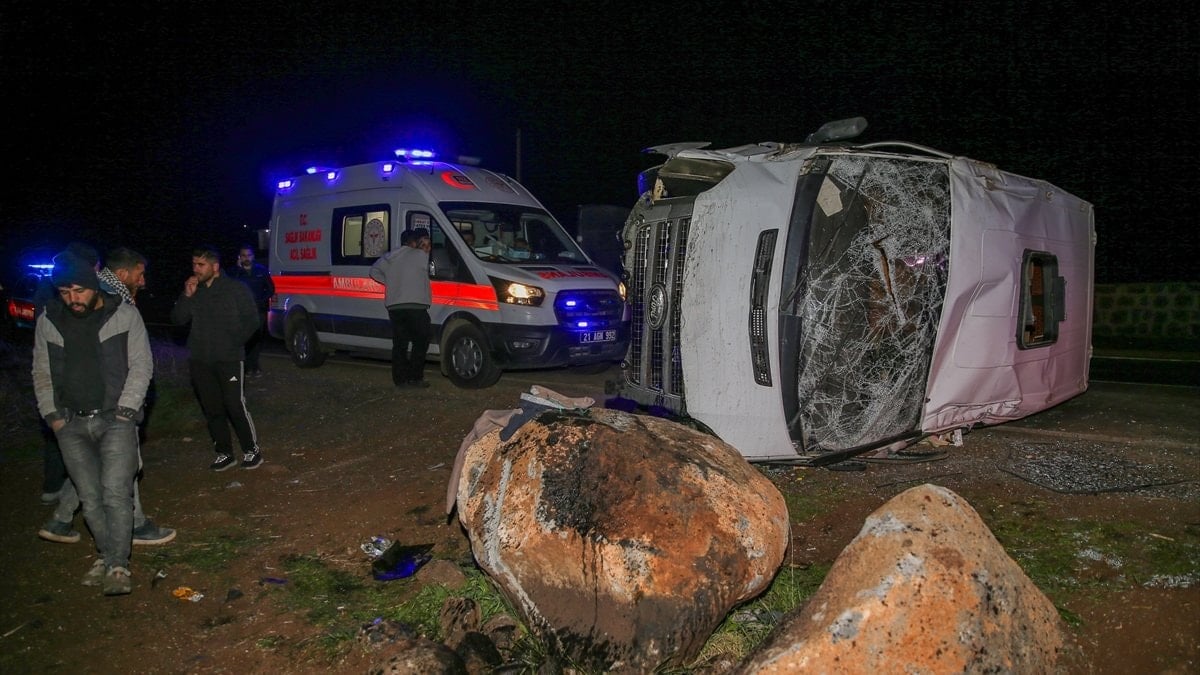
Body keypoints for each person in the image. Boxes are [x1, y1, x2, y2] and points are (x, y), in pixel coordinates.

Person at [36, 244, 175, 546]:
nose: (143, 280)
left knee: (98, 467)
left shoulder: (96, 295)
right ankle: (134, 525)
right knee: (123, 467)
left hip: (111, 403)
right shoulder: (109, 296)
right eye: (139, 274)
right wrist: (127, 407)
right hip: (110, 402)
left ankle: (61, 519)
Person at [171, 244, 263, 471]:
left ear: (215, 266)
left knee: (234, 404)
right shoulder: (194, 291)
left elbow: (252, 321)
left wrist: (234, 342)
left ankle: (252, 450)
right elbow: (178, 320)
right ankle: (224, 453)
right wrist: (186, 296)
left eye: (201, 265)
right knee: (212, 408)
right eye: (194, 264)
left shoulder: (235, 289)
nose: (196, 269)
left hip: (229, 358)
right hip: (201, 359)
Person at [369, 228, 433, 388]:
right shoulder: (419, 255)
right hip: (415, 305)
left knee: (400, 344)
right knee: (421, 341)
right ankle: (415, 377)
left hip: (395, 307)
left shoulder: (389, 257)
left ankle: (400, 379)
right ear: (413, 243)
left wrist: (390, 282)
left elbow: (373, 271)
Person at [227, 244, 275, 377]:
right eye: (243, 255)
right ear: (239, 257)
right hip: (241, 312)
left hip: (258, 310)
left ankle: (254, 365)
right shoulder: (233, 272)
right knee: (245, 339)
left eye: (248, 255)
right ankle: (247, 366)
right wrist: (237, 269)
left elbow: (271, 289)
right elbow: (229, 288)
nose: (246, 258)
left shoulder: (261, 270)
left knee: (256, 339)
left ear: (253, 256)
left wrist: (262, 300)